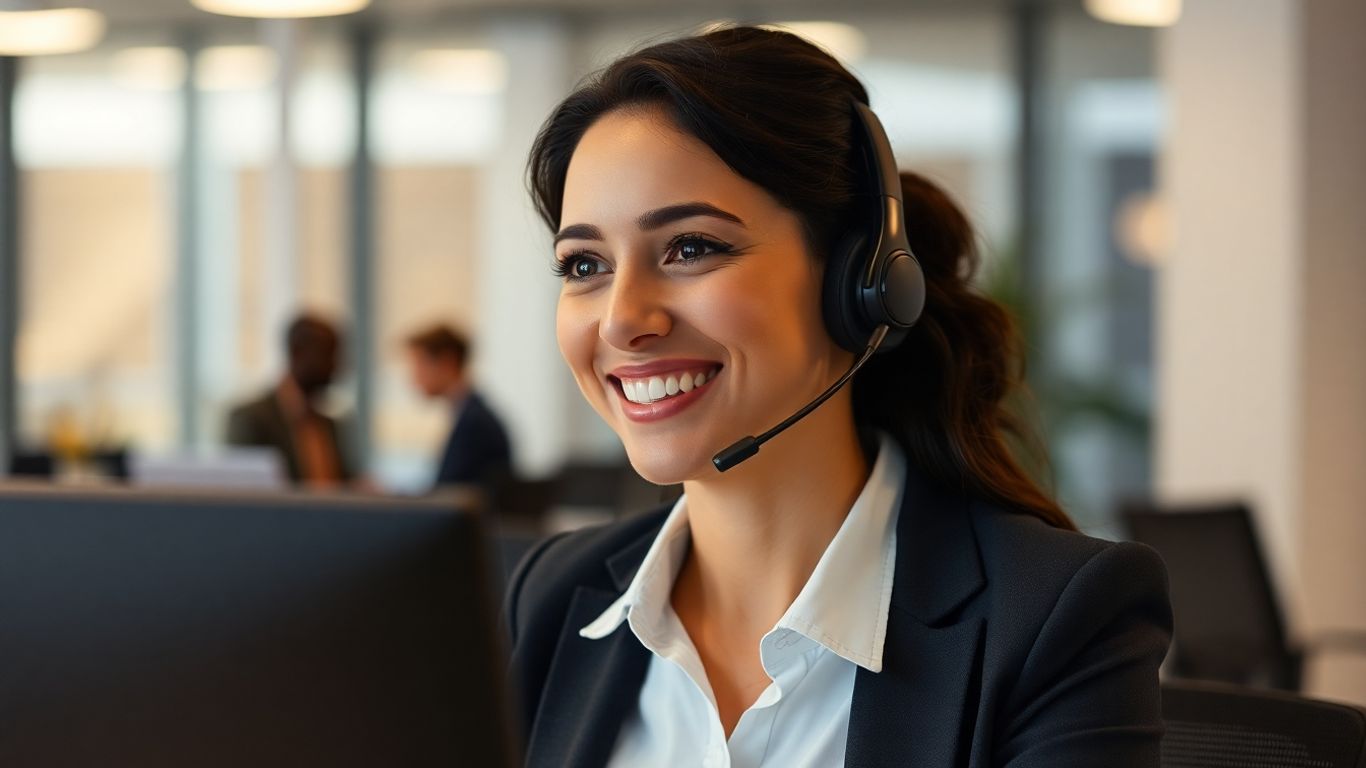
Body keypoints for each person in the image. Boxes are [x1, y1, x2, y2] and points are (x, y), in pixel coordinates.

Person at [505, 25, 1171, 768]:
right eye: (584, 264)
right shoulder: (550, 597)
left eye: (691, 248)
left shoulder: (1055, 618)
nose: (625, 320)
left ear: (859, 283)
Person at [226, 313, 354, 487]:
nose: (336, 366)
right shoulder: (250, 419)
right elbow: (245, 494)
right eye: (328, 354)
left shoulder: (330, 426)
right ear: (297, 352)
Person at [404, 323, 513, 492]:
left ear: (448, 362)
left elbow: (444, 492)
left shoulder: (473, 423)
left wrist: (392, 496)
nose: (414, 378)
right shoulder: (472, 413)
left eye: (419, 365)